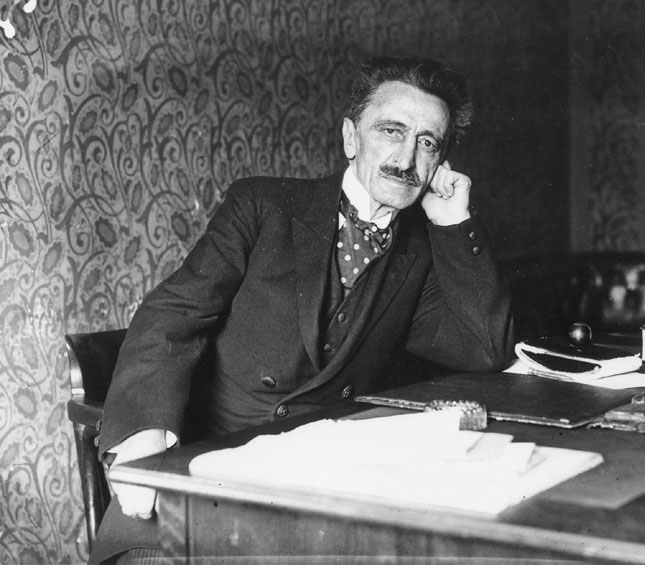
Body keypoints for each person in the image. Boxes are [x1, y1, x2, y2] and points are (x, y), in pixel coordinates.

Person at [89, 56, 515, 564]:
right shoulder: (263, 205)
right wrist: (143, 441)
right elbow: (173, 315)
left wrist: (453, 223)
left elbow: (484, 349)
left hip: (321, 490)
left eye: (428, 143)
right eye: (391, 131)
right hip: (210, 473)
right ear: (351, 138)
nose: (406, 158)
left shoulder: (419, 253)